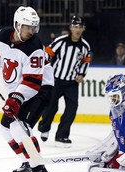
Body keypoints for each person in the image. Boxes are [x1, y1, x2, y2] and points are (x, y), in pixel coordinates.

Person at [0, 6, 53, 172]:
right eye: (27, 27)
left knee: (19, 128)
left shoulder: (35, 47)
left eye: (34, 28)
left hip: (40, 89)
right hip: (22, 90)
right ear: (17, 25)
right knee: (4, 130)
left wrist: (15, 98)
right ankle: (27, 162)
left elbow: (33, 82)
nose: (31, 31)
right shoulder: (4, 36)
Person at [38, 16, 91, 147]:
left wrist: (81, 74)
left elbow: (86, 61)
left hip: (72, 83)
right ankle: (44, 128)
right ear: (70, 28)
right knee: (51, 107)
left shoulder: (85, 46)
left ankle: (62, 136)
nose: (77, 30)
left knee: (72, 109)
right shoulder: (60, 41)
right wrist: (46, 70)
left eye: (80, 27)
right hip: (55, 80)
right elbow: (48, 53)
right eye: (75, 27)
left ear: (83, 29)